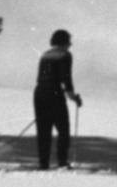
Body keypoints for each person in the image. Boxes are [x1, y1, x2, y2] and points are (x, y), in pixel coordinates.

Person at [34, 28, 83, 169]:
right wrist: (74, 97)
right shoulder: (65, 55)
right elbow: (66, 78)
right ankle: (62, 162)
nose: (70, 44)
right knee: (63, 128)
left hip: (39, 92)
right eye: (69, 41)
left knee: (43, 130)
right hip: (54, 92)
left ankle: (43, 164)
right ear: (64, 42)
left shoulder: (45, 55)